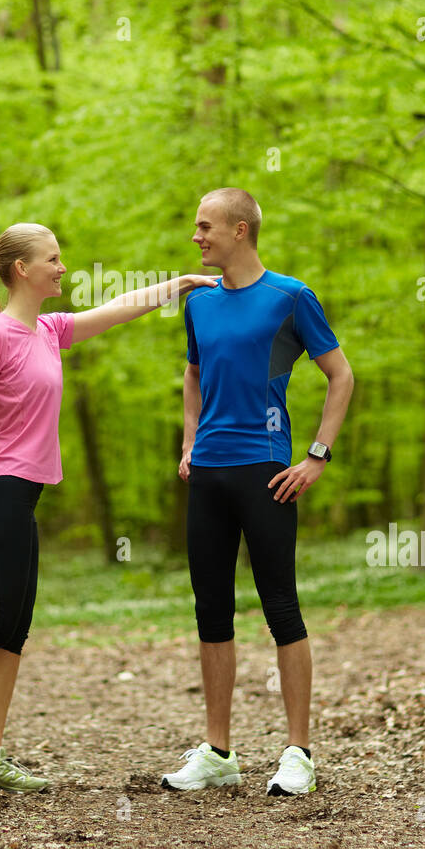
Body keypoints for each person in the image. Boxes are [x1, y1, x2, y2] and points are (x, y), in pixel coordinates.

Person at [0, 223, 216, 793]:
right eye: (53, 259)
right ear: (21, 271)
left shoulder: (48, 331)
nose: (62, 267)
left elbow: (117, 308)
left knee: (13, 637)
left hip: (22, 495)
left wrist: (176, 284)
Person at [162, 188, 354, 797]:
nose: (196, 236)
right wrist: (190, 442)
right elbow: (193, 376)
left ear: (240, 229)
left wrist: (317, 457)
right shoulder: (200, 305)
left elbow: (341, 375)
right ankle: (219, 752)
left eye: (205, 226)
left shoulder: (291, 298)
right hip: (209, 475)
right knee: (210, 612)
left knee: (281, 608)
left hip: (267, 471)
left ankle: (298, 753)